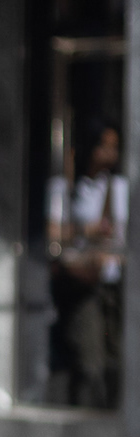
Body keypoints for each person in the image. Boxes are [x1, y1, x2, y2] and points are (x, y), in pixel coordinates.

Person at [47, 122, 127, 409]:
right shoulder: (67, 187)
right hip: (80, 283)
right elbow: (54, 234)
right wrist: (88, 230)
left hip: (113, 284)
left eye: (114, 147)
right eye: (103, 146)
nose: (109, 154)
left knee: (115, 361)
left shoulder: (118, 188)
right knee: (87, 360)